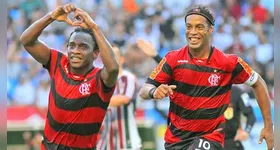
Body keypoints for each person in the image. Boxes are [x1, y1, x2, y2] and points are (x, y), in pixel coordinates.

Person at [138, 5, 274, 150]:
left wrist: (268, 125)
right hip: (176, 140)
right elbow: (144, 89)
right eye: (189, 27)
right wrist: (154, 92)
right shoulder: (172, 59)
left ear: (210, 29)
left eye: (199, 27)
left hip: (210, 137)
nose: (193, 32)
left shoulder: (228, 62)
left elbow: (258, 83)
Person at [19, 3, 119, 150]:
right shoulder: (58, 62)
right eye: (72, 46)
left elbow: (113, 68)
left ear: (96, 53)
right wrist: (51, 17)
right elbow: (26, 40)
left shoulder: (99, 78)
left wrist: (94, 27)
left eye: (83, 47)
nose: (75, 51)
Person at [137, 39, 257, 150]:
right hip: (204, 140)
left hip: (229, 142)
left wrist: (246, 131)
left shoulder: (237, 93)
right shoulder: (203, 87)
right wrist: (156, 56)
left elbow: (251, 115)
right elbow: (181, 72)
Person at [97, 45, 142, 150]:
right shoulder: (101, 80)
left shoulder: (128, 78)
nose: (110, 59)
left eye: (114, 56)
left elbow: (124, 98)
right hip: (106, 141)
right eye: (107, 56)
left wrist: (95, 101)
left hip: (127, 142)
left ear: (121, 60)